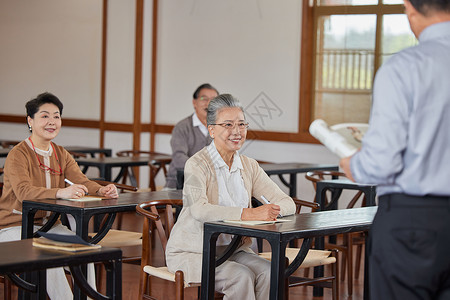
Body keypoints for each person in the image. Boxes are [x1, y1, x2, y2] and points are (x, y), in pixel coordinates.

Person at [340, 1, 450, 299]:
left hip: (413, 223)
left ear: (410, 8)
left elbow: (381, 164)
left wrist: (353, 165)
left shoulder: (405, 67)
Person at [165, 94, 296, 299]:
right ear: (212, 130)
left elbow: (288, 203)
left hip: (235, 250)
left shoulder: (249, 165)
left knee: (270, 271)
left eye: (242, 124)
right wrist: (250, 214)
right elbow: (199, 210)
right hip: (192, 252)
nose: (236, 131)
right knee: (241, 276)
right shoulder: (196, 164)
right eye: (228, 124)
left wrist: (270, 211)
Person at [0, 92, 119, 299]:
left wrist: (100, 190)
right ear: (30, 120)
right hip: (14, 227)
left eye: (56, 116)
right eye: (45, 116)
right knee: (49, 258)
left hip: (50, 226)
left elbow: (81, 180)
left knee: (85, 252)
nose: (52, 122)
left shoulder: (60, 153)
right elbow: (24, 192)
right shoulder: (18, 154)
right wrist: (61, 192)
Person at [164, 83, 219, 189]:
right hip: (179, 184)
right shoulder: (182, 127)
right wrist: (201, 170)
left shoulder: (220, 127)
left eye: (213, 100)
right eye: (204, 99)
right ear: (194, 103)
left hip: (210, 185)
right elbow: (178, 157)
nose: (209, 103)